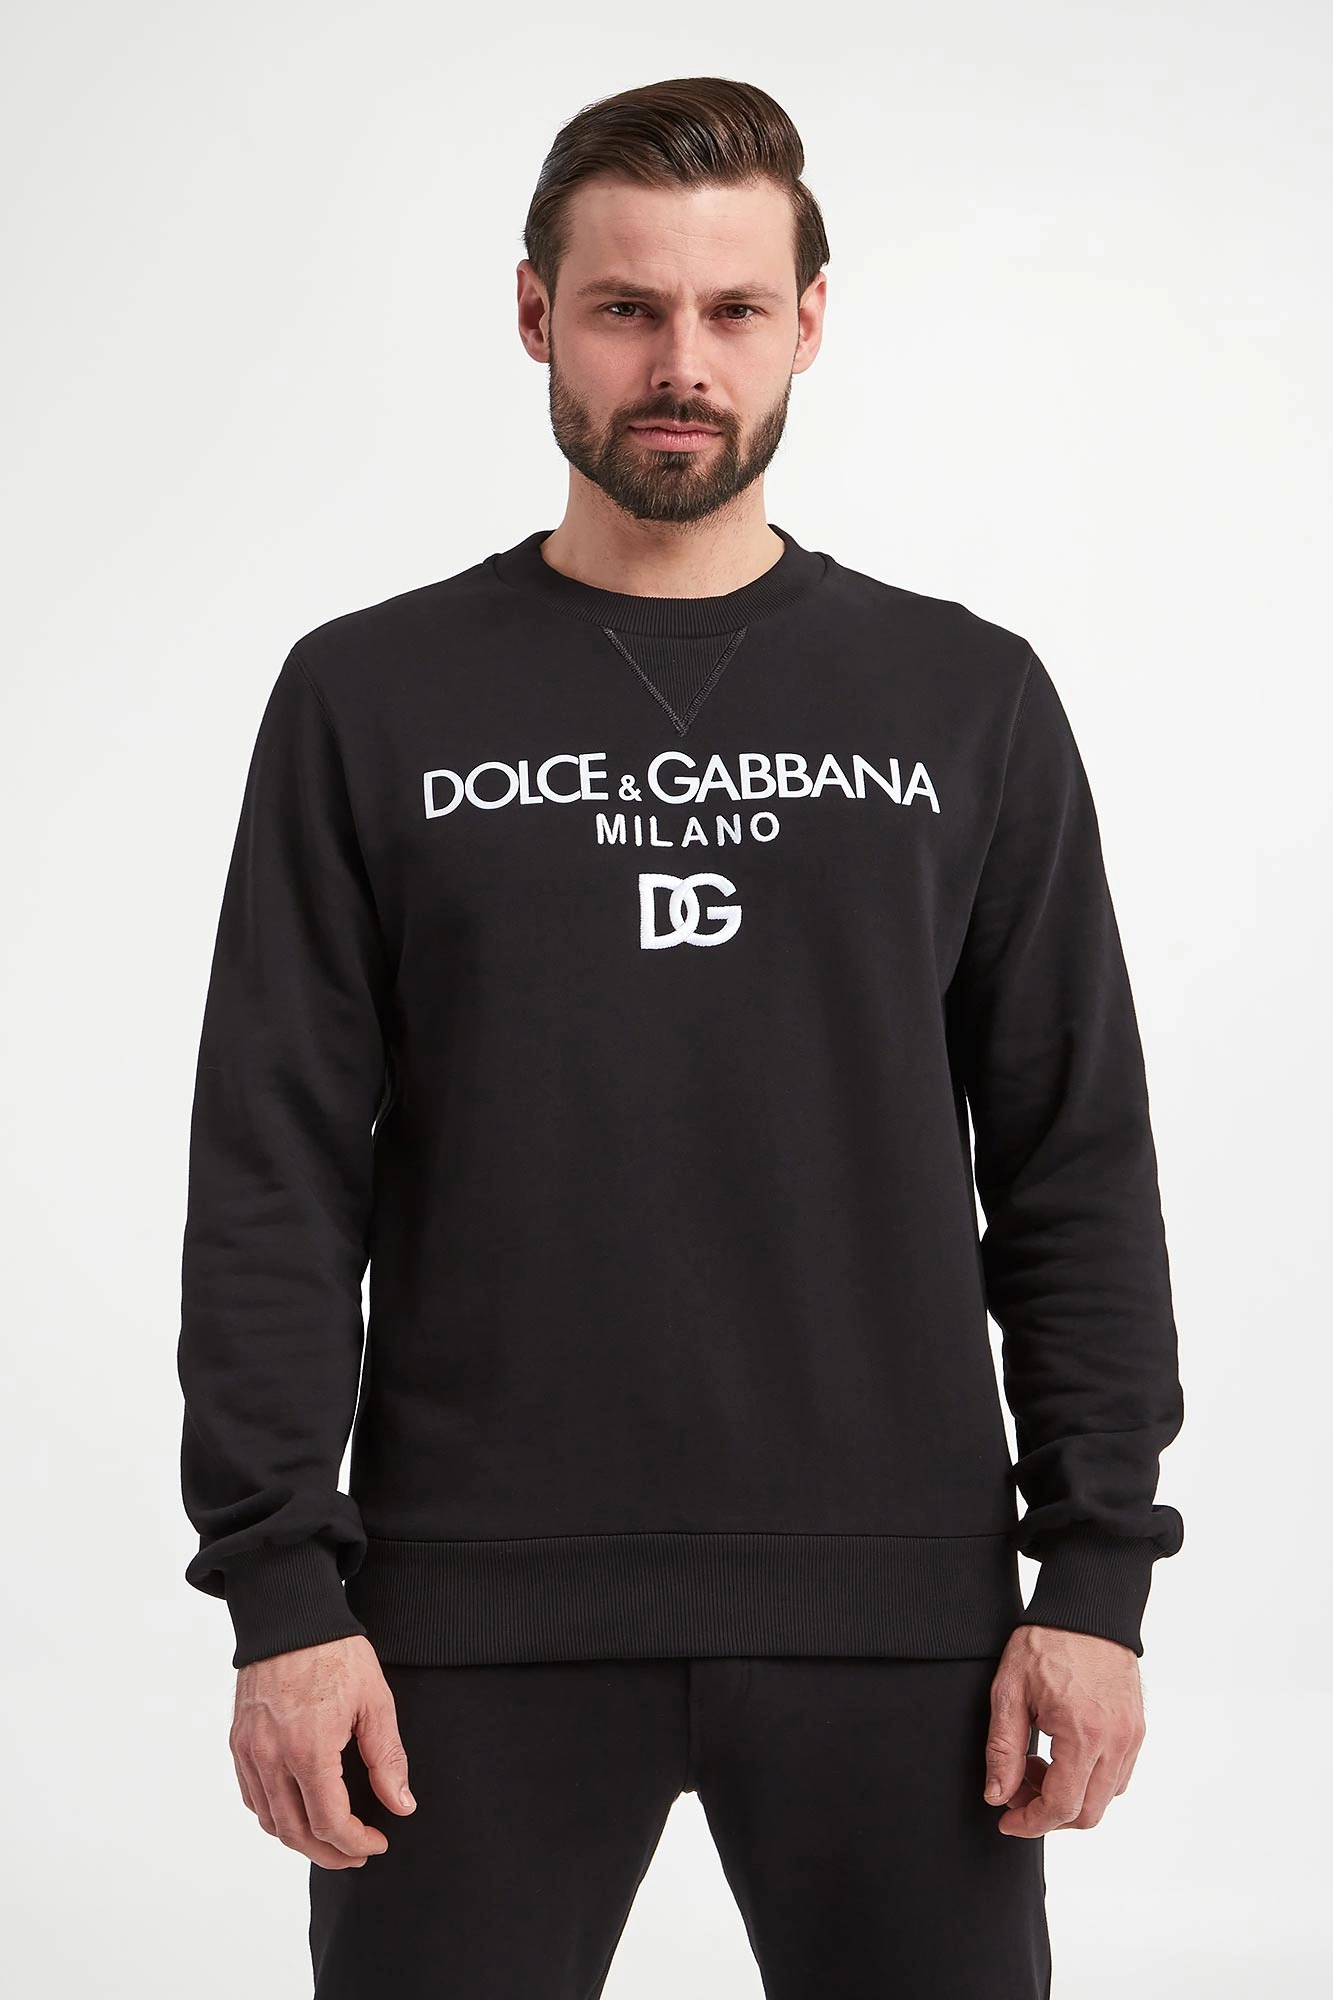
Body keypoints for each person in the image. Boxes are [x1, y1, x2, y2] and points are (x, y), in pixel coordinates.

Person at [177, 74, 1185, 1999]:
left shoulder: (965, 699)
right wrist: (281, 1594)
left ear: (810, 321)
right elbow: (274, 1174)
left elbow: (1073, 1160)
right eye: (627, 307)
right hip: (461, 1623)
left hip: (905, 1622)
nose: (681, 366)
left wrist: (1099, 1580)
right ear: (536, 313)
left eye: (733, 310)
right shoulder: (368, 698)